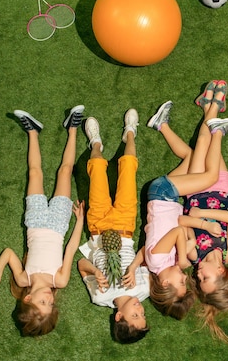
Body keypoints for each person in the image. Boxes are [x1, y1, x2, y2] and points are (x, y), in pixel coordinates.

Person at [0, 107, 86, 337]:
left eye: (42, 303)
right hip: (59, 223)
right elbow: (70, 250)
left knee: (35, 173)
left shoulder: (22, 278)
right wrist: (80, 221)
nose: (50, 299)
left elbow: (8, 253)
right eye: (51, 305)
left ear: (27, 298)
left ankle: (33, 132)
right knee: (65, 172)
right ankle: (73, 128)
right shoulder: (60, 280)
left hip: (35, 221)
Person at [144, 80, 228, 320]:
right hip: (222, 193)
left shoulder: (192, 255)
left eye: (199, 281)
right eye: (203, 279)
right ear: (221, 271)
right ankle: (208, 108)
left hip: (196, 194)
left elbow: (183, 222)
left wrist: (200, 219)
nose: (197, 276)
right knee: (205, 151)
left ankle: (214, 109)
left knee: (202, 144)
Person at [77, 109, 150, 344]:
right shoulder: (144, 289)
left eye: (134, 315)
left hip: (97, 228)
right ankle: (130, 133)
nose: (139, 308)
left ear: (119, 316)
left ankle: (95, 143)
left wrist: (95, 272)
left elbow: (80, 264)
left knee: (97, 170)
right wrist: (133, 268)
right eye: (143, 314)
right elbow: (146, 253)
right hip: (125, 226)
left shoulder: (100, 297)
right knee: (128, 170)